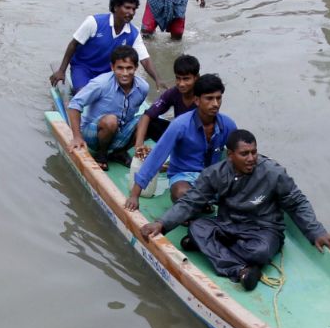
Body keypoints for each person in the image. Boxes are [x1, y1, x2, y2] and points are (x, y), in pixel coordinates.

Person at [141, 130, 330, 291]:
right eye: (244, 154)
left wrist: (317, 232)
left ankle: (211, 249)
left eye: (254, 152)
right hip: (228, 226)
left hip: (263, 230)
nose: (251, 158)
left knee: (259, 253)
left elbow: (297, 203)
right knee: (197, 227)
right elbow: (191, 202)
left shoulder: (273, 172)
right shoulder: (215, 174)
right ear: (230, 156)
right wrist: (161, 223)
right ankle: (241, 270)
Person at [124, 74, 234, 210]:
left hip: (213, 176)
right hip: (184, 176)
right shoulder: (180, 125)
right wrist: (135, 195)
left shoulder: (228, 125)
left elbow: (237, 153)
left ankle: (204, 202)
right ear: (197, 100)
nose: (215, 104)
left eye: (218, 98)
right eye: (209, 99)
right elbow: (156, 157)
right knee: (181, 193)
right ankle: (202, 203)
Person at [50, 0, 163, 93]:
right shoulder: (94, 22)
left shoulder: (134, 33)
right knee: (84, 95)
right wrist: (62, 71)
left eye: (134, 9)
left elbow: (145, 59)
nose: (131, 12)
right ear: (115, 7)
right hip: (83, 68)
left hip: (108, 74)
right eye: (127, 8)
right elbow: (73, 45)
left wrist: (157, 79)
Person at [66, 45, 150, 169]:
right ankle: (102, 154)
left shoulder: (143, 87)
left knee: (147, 119)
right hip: (93, 134)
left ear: (136, 68)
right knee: (111, 120)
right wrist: (77, 137)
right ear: (112, 67)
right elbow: (74, 105)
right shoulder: (101, 83)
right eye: (120, 68)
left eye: (129, 68)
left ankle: (119, 152)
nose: (125, 73)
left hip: (120, 132)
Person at [132, 54, 199, 157]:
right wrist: (139, 145)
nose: (181, 84)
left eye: (186, 79)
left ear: (196, 78)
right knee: (145, 122)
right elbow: (147, 116)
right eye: (178, 78)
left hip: (198, 139)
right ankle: (124, 151)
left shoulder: (204, 95)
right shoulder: (173, 93)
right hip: (178, 134)